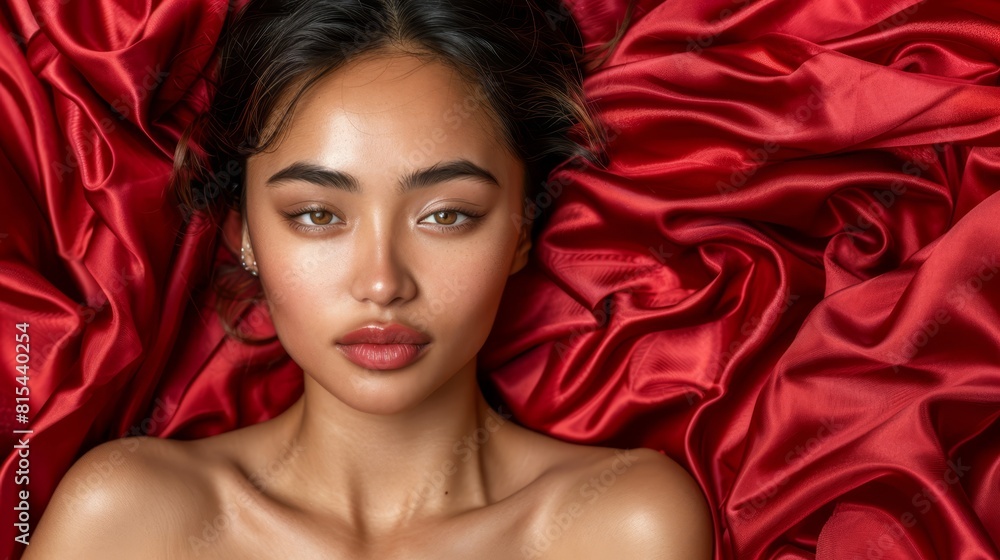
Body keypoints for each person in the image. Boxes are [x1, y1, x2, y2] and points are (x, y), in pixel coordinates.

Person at [23, 0, 713, 558]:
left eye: (447, 215)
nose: (382, 283)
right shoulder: (128, 517)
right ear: (244, 234)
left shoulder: (622, 526)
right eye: (318, 214)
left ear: (520, 231)